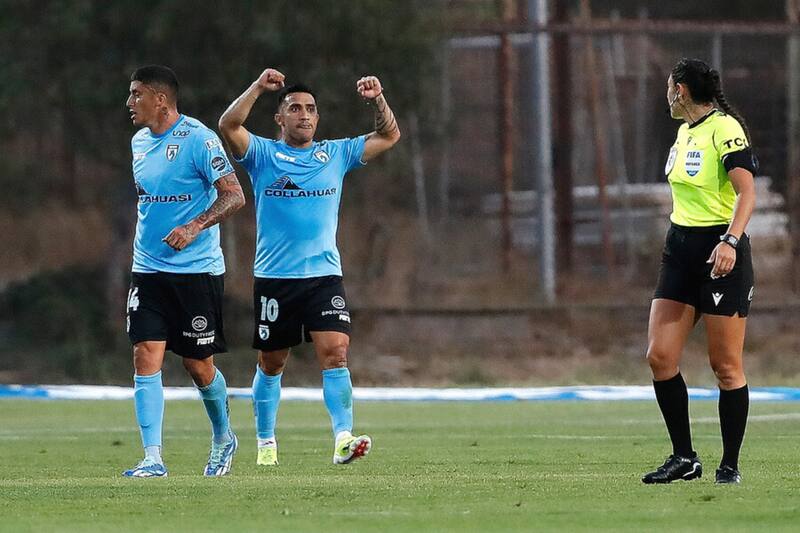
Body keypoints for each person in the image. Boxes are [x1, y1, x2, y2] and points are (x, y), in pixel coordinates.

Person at [218, 68, 400, 466]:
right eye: (295, 108)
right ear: (279, 118)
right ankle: (266, 443)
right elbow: (228, 124)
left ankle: (343, 439)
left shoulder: (335, 153)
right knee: (272, 361)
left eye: (311, 109)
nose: (304, 115)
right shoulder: (262, 155)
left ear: (318, 118)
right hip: (275, 279)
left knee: (336, 352)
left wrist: (377, 100)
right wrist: (257, 88)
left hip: (323, 277)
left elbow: (388, 136)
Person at [123, 65, 246, 477]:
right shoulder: (138, 142)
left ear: (161, 99)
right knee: (145, 355)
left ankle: (224, 437)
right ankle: (152, 457)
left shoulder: (199, 139)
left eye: (136, 94)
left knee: (198, 365)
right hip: (148, 269)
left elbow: (234, 195)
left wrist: (194, 226)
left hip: (196, 271)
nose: (129, 103)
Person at [642, 58, 757, 485]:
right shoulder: (684, 131)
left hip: (718, 252)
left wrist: (730, 241)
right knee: (660, 356)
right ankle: (684, 458)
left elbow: (747, 193)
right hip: (679, 251)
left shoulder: (724, 128)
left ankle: (729, 465)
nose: (666, 94)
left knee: (725, 365)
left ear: (681, 91)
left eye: (668, 86)